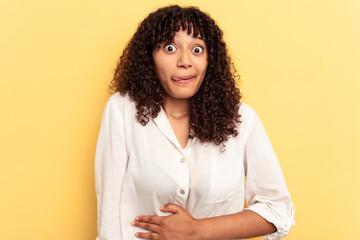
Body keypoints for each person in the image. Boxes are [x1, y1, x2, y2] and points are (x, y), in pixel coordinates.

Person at [95, 5, 295, 240]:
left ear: (210, 59)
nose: (185, 61)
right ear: (150, 57)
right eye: (170, 48)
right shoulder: (121, 110)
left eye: (197, 49)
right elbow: (108, 214)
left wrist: (197, 230)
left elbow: (278, 210)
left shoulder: (242, 119)